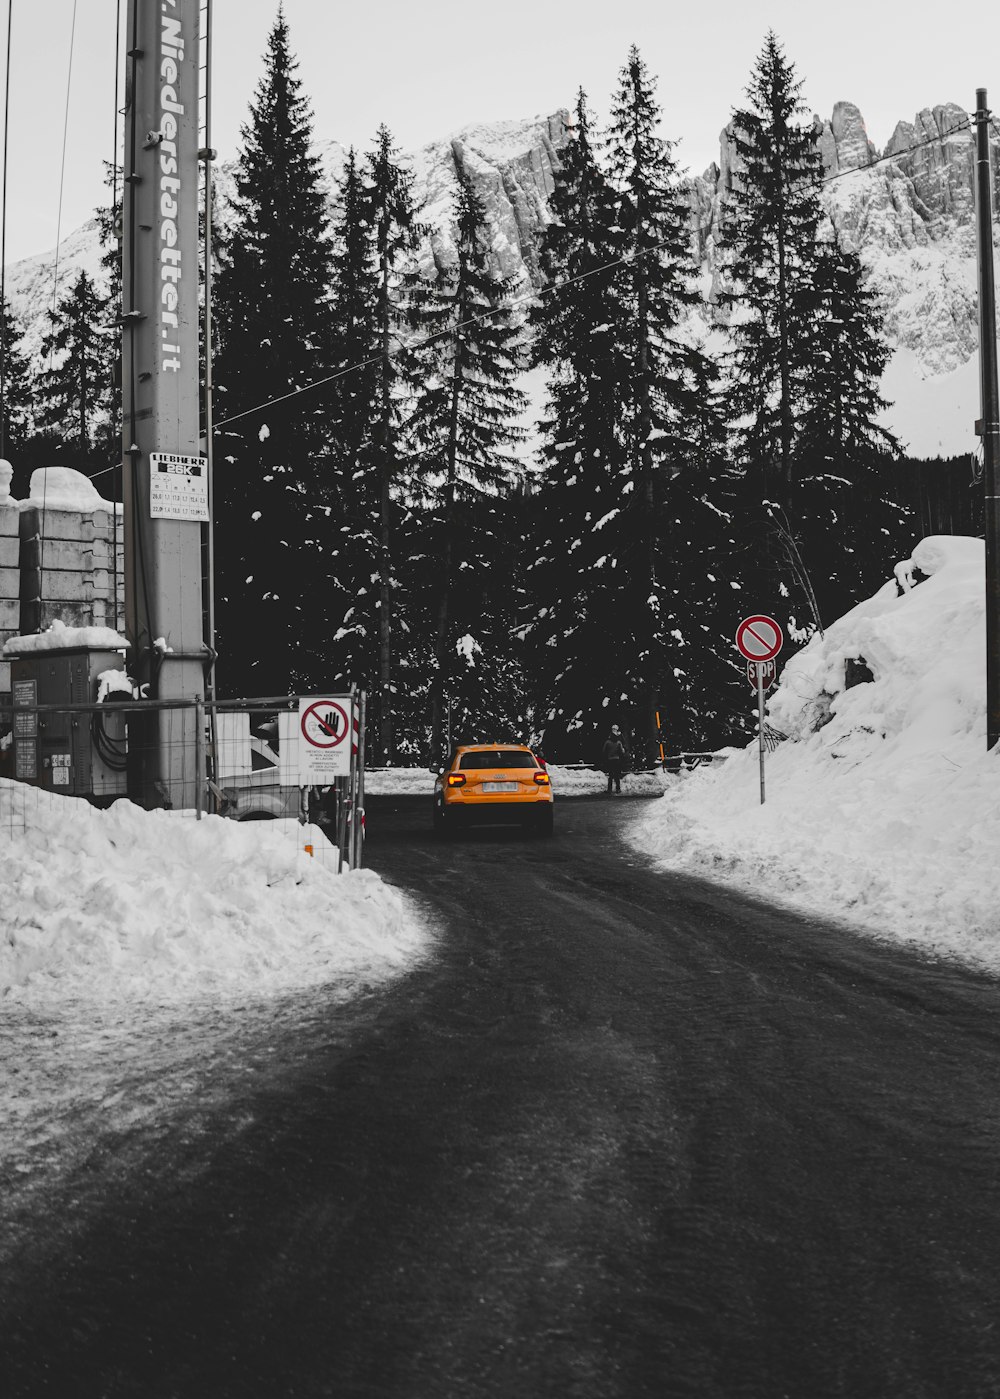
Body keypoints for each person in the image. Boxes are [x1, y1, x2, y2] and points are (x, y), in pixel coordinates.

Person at [601, 725, 628, 795]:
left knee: (610, 776)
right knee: (617, 775)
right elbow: (621, 752)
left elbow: (604, 751)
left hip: (610, 760)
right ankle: (618, 789)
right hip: (617, 760)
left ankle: (609, 790)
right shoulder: (618, 742)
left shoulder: (607, 742)